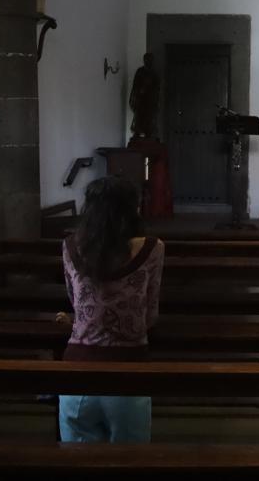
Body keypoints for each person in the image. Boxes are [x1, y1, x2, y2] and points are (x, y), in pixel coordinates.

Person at [56, 176, 165, 442]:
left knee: (78, 464)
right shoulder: (152, 249)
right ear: (131, 209)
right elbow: (150, 315)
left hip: (77, 371)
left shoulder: (70, 247)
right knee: (129, 462)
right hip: (128, 369)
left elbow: (76, 302)